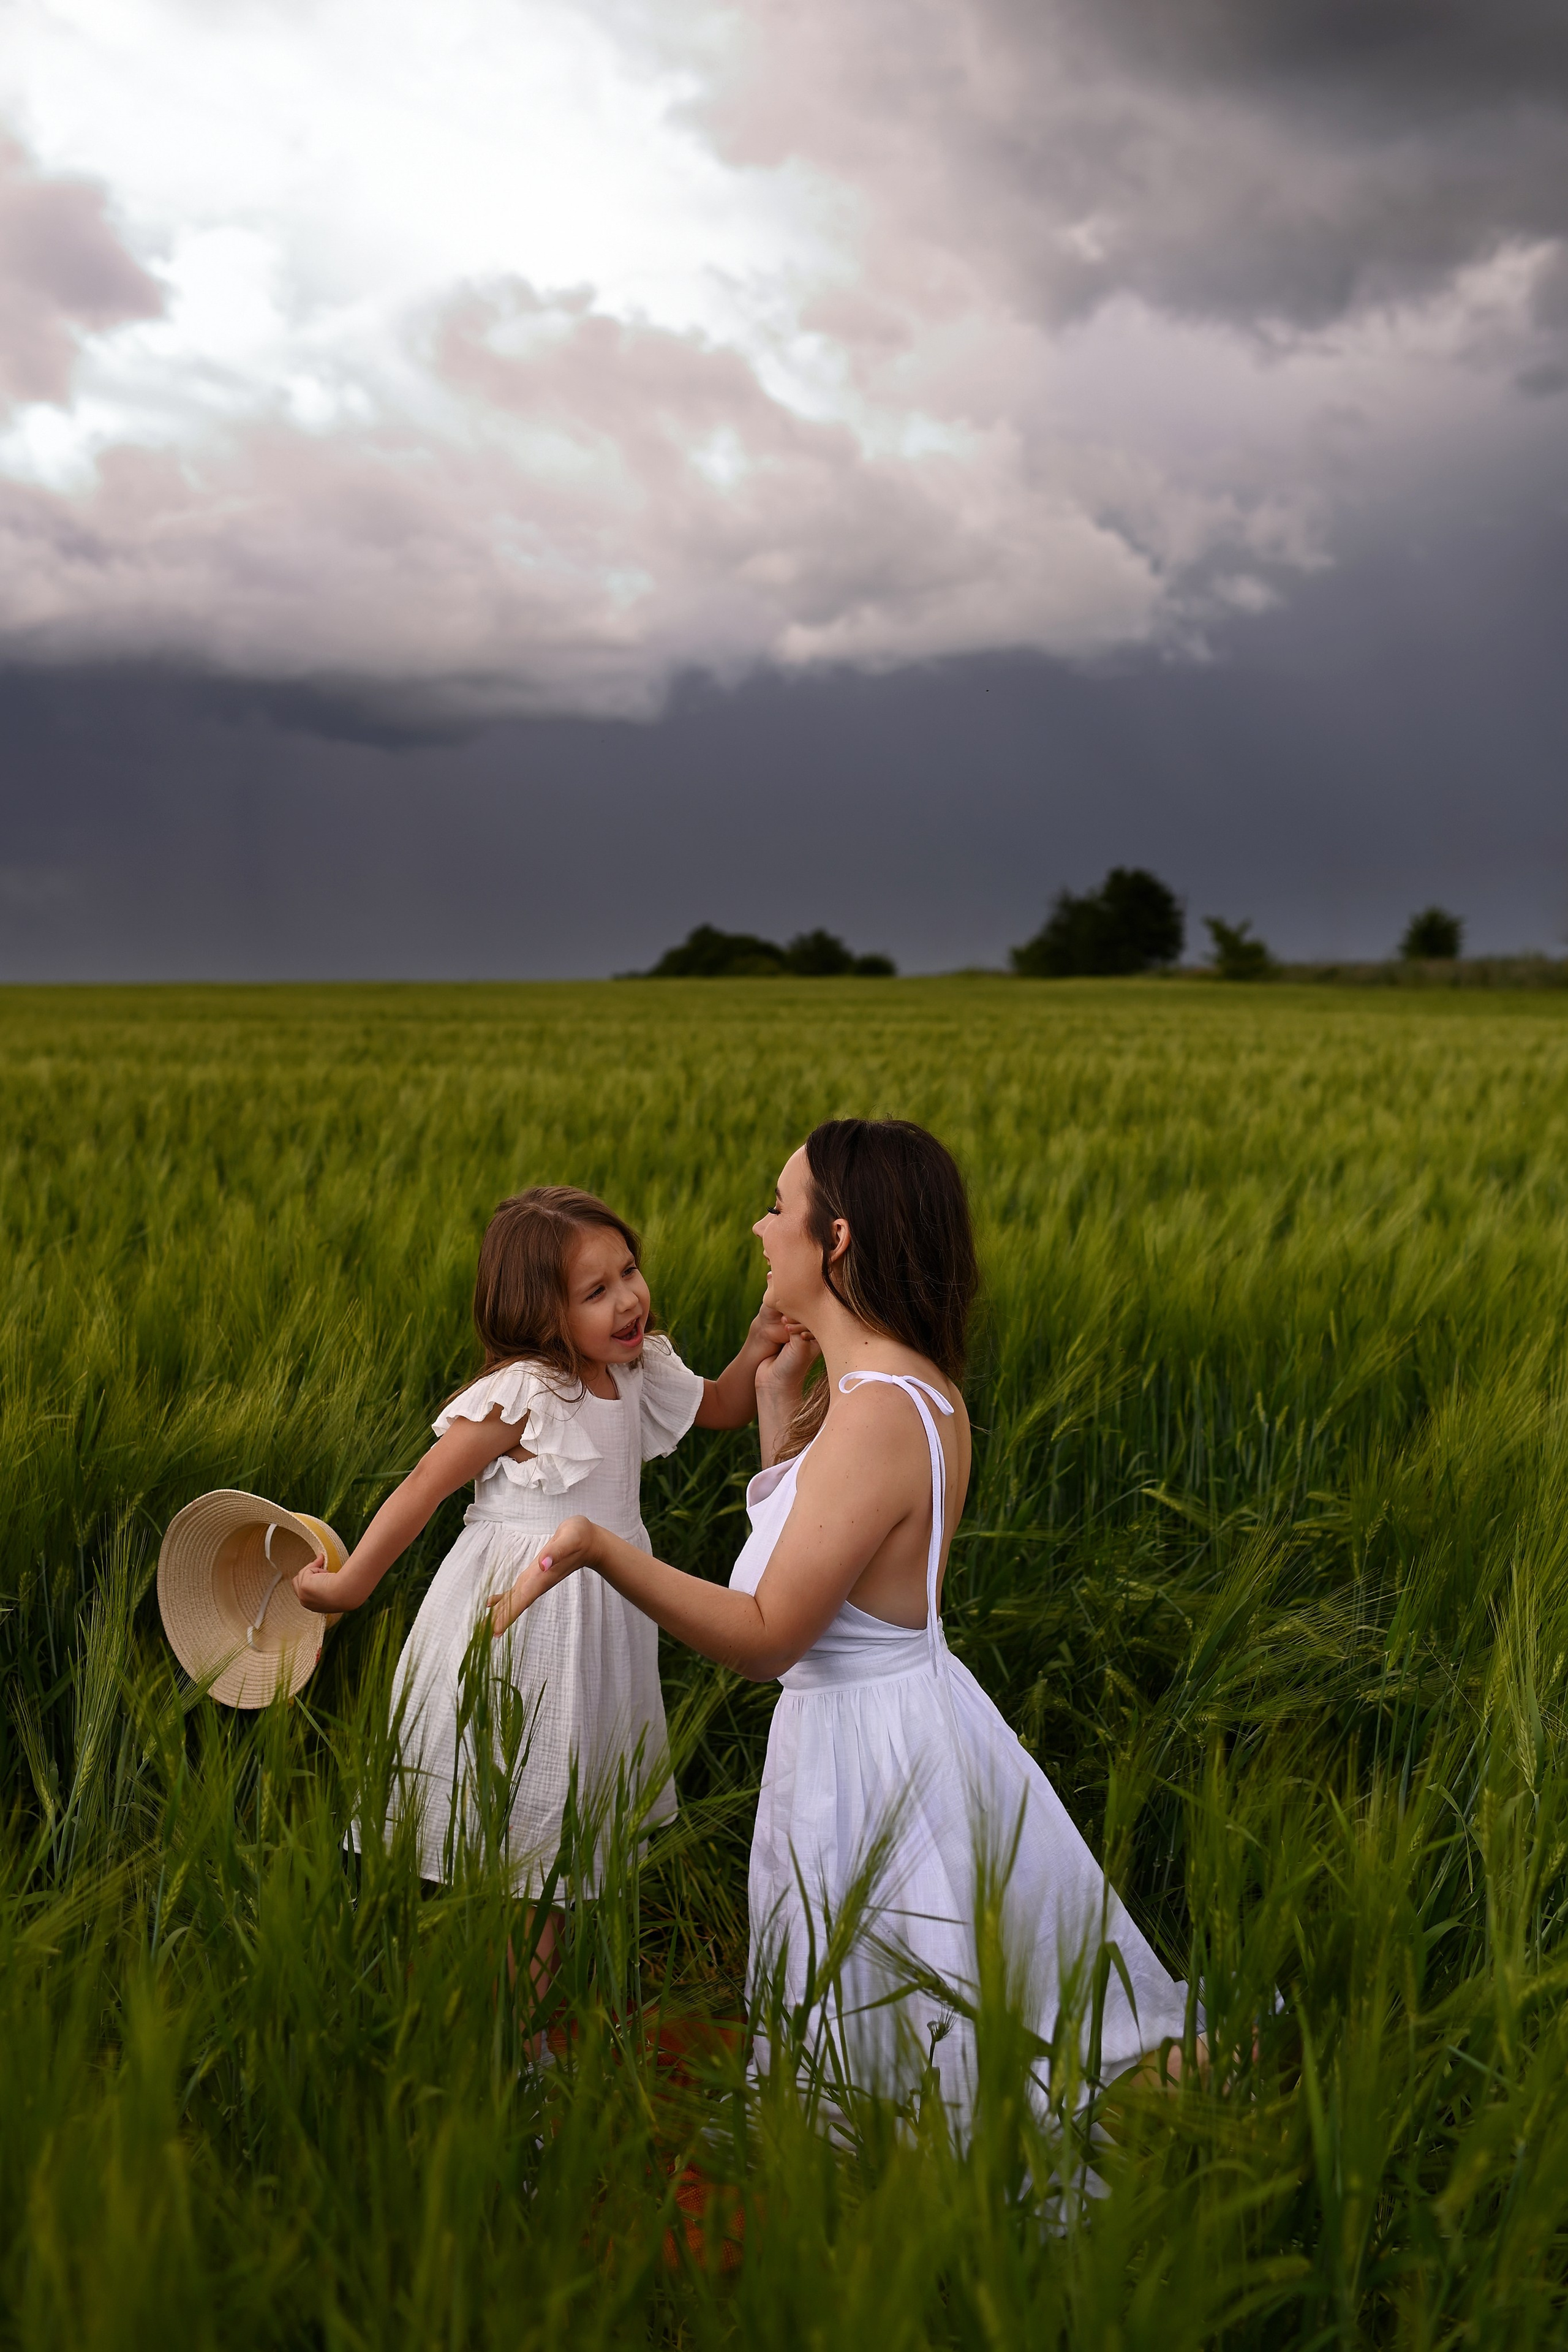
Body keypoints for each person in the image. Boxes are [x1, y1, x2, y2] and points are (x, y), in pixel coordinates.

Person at [489, 1120, 1195, 2121]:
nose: (759, 1226)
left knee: (921, 2051)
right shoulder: (891, 1387)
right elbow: (819, 1555)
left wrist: (604, 1553)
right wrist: (778, 1399)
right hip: (898, 1721)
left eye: (781, 1208)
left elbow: (774, 1634)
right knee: (936, 2026)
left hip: (874, 1760)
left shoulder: (875, 1413)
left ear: (838, 1241)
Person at [294, 1185, 788, 1991]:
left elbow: (726, 1405)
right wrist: (350, 1585)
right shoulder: (526, 1393)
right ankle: (524, 2053)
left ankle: (509, 2022)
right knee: (529, 1853)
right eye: (597, 1292)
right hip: (521, 1624)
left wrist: (761, 1338)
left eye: (629, 1270)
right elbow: (424, 1486)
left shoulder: (634, 1371)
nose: (630, 1299)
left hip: (603, 1614)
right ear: (539, 1314)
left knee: (556, 1846)